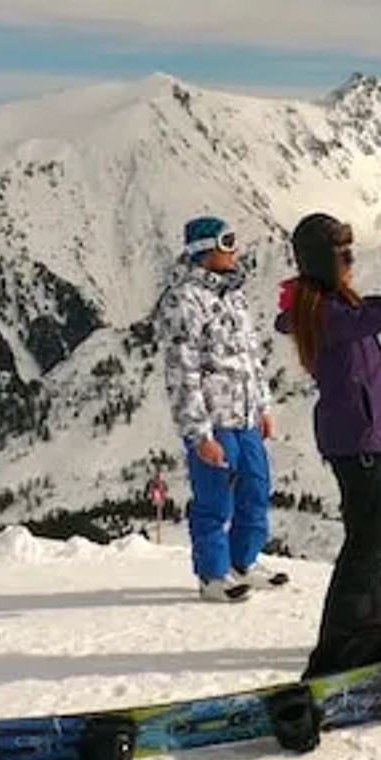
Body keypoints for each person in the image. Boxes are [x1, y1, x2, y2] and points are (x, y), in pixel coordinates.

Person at [274, 212, 381, 677]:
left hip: (362, 435)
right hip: (357, 437)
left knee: (375, 536)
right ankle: (336, 644)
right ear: (322, 261)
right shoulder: (327, 314)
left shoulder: (328, 305)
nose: (352, 262)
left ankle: (371, 628)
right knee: (367, 539)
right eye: (344, 255)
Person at [155, 215, 288, 602]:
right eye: (227, 241)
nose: (235, 249)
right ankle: (213, 575)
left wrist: (262, 405)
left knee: (256, 489)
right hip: (214, 421)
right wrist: (198, 434)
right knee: (214, 499)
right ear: (204, 248)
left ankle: (243, 562)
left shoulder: (234, 295)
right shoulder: (184, 299)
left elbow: (250, 357)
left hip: (245, 415)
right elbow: (182, 370)